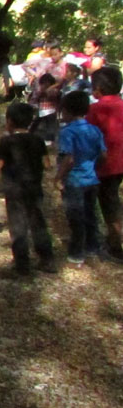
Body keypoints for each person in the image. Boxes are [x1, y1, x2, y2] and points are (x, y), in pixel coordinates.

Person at [0, 102, 56, 276]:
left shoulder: (6, 142)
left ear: (9, 121)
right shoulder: (38, 140)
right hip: (34, 187)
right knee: (38, 222)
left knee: (17, 225)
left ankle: (22, 264)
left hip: (14, 189)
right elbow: (47, 164)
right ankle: (47, 259)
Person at [56, 91, 105, 264]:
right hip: (92, 179)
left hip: (74, 181)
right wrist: (93, 167)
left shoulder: (67, 132)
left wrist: (58, 178)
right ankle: (93, 246)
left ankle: (77, 253)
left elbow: (68, 159)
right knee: (90, 214)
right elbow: (103, 155)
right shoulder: (94, 130)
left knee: (76, 218)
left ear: (67, 111)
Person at [86, 67, 123, 263]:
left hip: (105, 164)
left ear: (98, 89)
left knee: (108, 205)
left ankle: (116, 246)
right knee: (112, 199)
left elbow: (88, 136)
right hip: (119, 163)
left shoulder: (95, 109)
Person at [29, 73, 60, 144]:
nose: (43, 86)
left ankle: (50, 140)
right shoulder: (40, 91)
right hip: (42, 109)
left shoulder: (54, 91)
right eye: (42, 84)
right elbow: (34, 100)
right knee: (35, 123)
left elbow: (55, 97)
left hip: (50, 110)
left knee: (50, 125)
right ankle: (30, 134)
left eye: (45, 84)